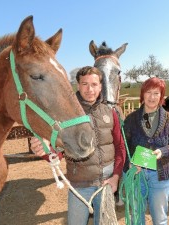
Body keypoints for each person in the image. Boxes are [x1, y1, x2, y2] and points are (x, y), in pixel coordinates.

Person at [30, 66, 126, 225]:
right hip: (80, 185)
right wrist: (44, 150)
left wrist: (116, 177)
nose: (90, 89)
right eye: (85, 84)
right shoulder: (66, 115)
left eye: (94, 84)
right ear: (78, 85)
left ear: (101, 86)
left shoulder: (111, 113)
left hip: (107, 183)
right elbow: (58, 153)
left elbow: (120, 147)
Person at [123, 77, 169, 225]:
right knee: (136, 216)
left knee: (160, 218)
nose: (152, 97)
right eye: (148, 92)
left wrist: (164, 151)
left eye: (156, 93)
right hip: (137, 174)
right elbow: (124, 147)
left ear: (161, 96)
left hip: (160, 175)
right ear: (143, 94)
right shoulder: (130, 119)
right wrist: (129, 164)